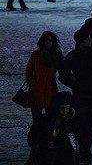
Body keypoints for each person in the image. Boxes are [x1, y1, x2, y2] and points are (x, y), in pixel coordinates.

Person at [59, 29, 92, 164]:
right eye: (87, 39)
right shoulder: (74, 56)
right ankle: (84, 151)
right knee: (83, 123)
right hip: (82, 95)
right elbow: (63, 75)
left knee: (89, 124)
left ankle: (84, 150)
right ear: (82, 42)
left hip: (90, 94)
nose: (90, 40)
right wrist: (74, 82)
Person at [25, 31, 64, 164]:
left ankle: (46, 149)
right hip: (36, 93)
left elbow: (63, 71)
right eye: (46, 40)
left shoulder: (56, 56)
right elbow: (29, 71)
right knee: (36, 123)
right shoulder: (35, 55)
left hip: (50, 92)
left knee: (49, 122)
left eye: (50, 41)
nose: (48, 43)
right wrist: (32, 83)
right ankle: (35, 150)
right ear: (42, 42)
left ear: (53, 42)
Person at [28, 91, 79, 165]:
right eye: (62, 108)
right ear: (56, 108)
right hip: (47, 156)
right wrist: (46, 143)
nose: (65, 111)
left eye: (67, 108)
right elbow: (32, 138)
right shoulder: (45, 120)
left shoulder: (72, 121)